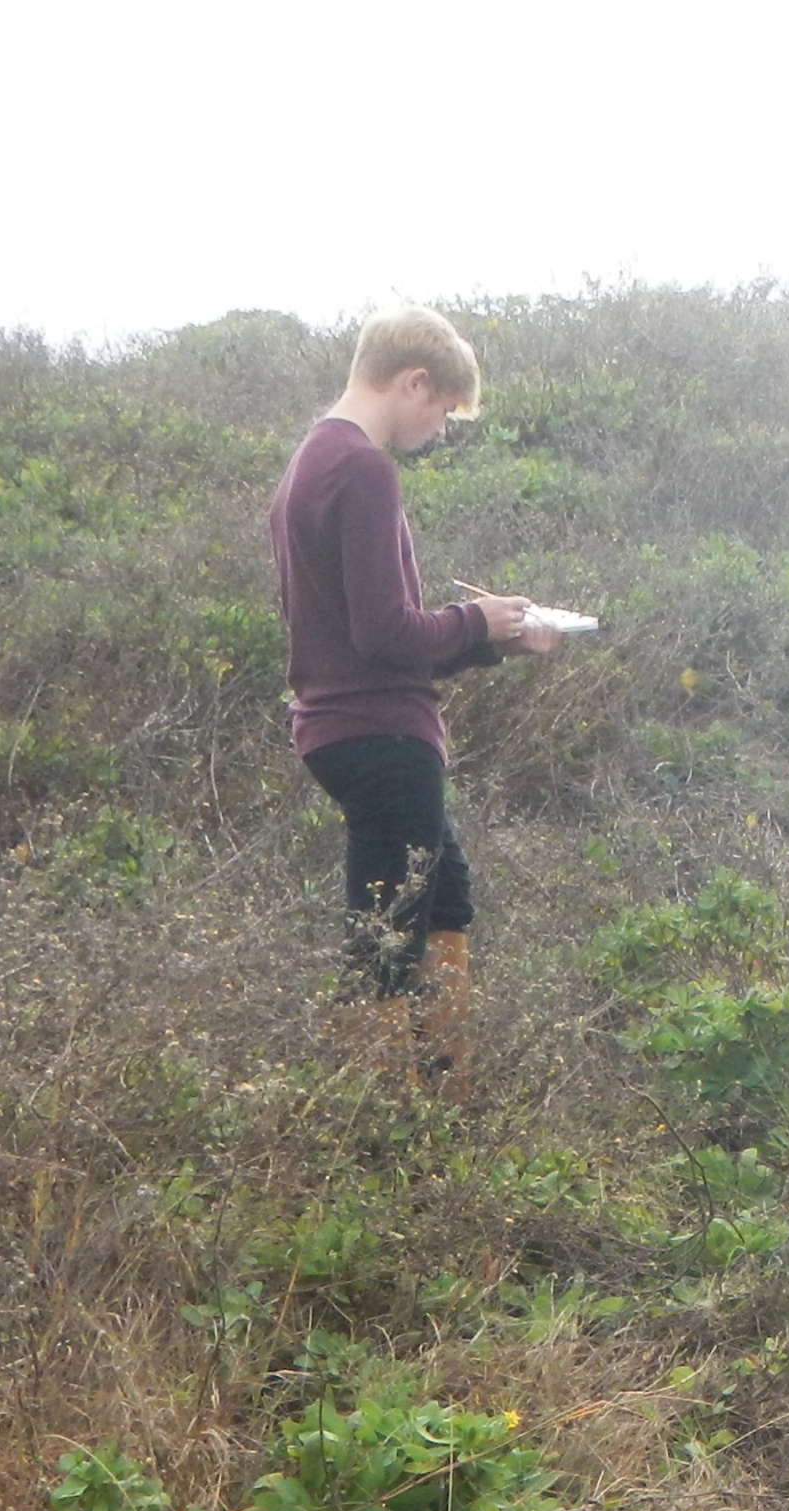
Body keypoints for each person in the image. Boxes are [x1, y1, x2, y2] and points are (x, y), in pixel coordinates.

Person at [265, 306, 559, 1089]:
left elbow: (362, 637)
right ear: (414, 381)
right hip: (378, 738)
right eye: (442, 410)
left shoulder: (310, 458)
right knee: (385, 939)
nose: (438, 428)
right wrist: (478, 620)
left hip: (344, 727)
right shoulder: (362, 466)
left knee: (441, 898)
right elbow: (386, 634)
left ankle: (444, 1102)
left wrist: (487, 642)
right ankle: (379, 1131)